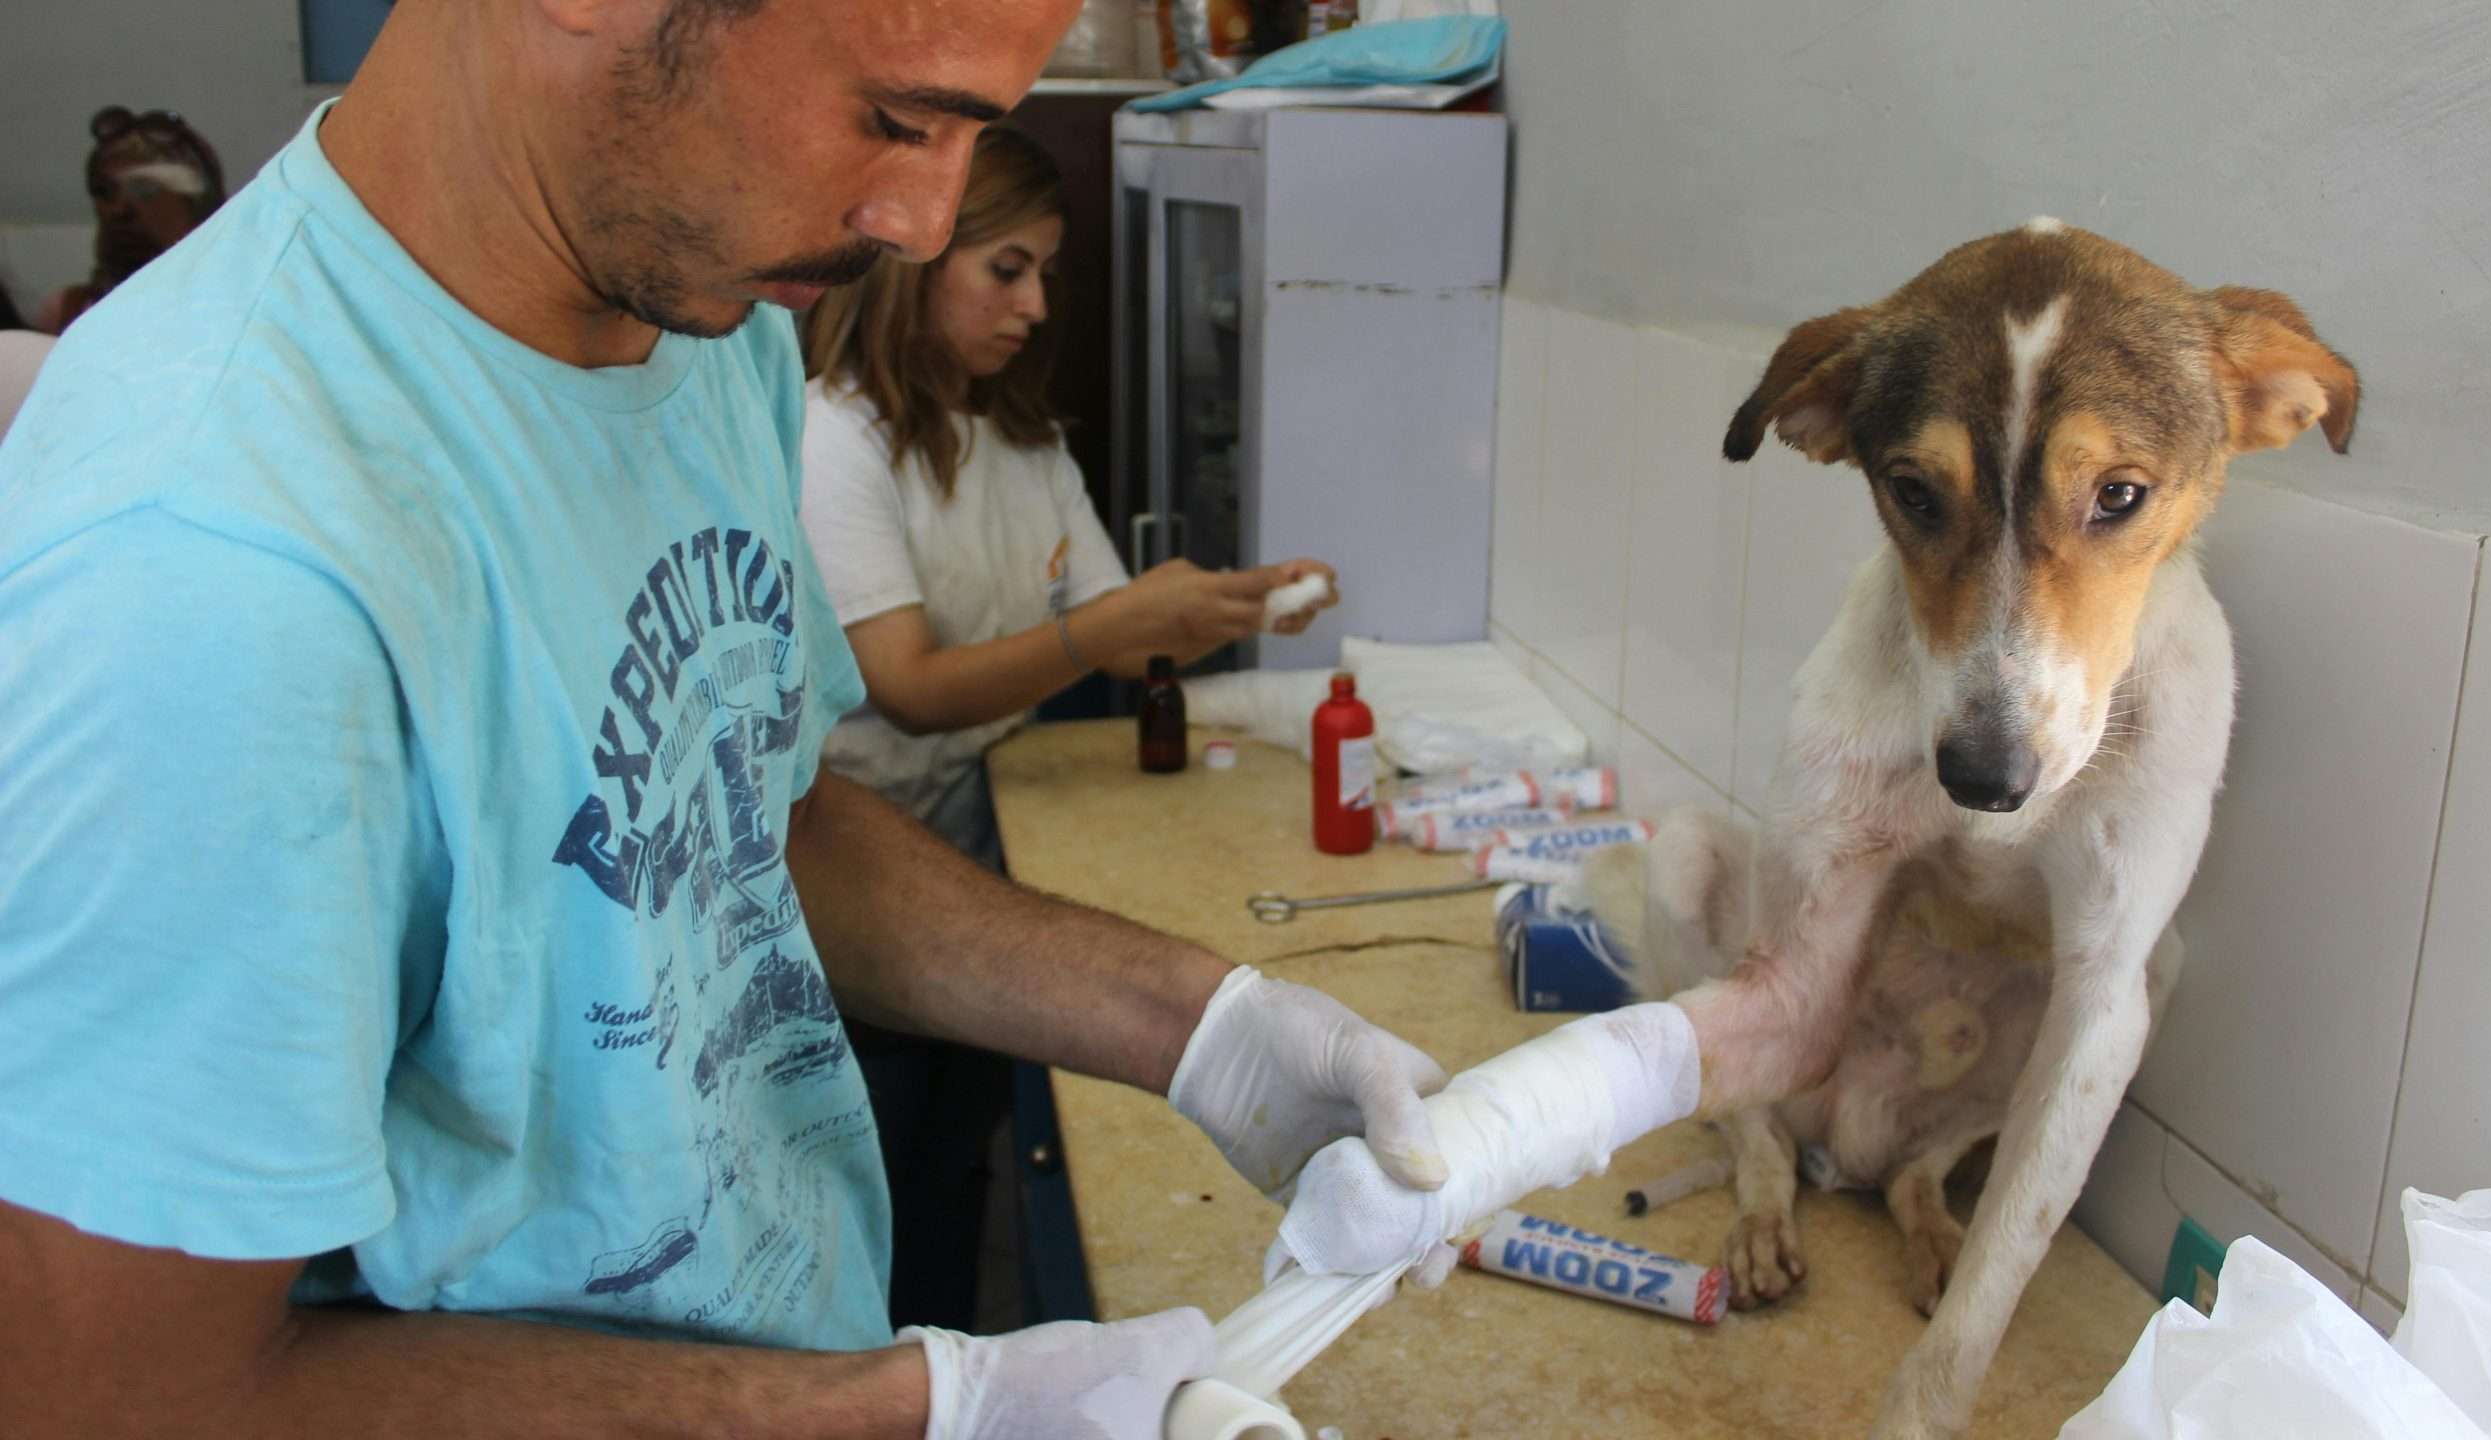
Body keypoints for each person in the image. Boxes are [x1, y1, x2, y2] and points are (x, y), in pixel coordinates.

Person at [0, 3, 1447, 1437]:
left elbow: (764, 821)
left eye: (973, 134)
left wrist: (1201, 1028)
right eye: (893, 118)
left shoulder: (704, 318)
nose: (923, 221)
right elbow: (120, 1396)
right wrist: (911, 1407)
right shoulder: (205, 575)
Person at [796, 123, 1335, 1337]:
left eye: (1046, 274)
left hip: (973, 859)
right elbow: (910, 684)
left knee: (950, 1158)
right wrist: (1111, 634)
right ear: (916, 259)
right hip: (841, 889)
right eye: (1006, 270)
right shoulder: (833, 439)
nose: (1036, 306)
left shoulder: (1019, 442)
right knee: (864, 1196)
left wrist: (1229, 605)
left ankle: (946, 1351)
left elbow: (1115, 624)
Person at [37, 105, 226, 333]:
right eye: (104, 192)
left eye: (144, 189)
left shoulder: (235, 308)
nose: (118, 209)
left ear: (197, 204)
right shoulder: (69, 311)